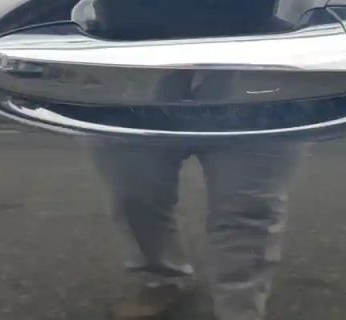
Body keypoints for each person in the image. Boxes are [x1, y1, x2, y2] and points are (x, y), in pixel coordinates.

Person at [89, 137, 302, 320]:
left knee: (250, 209)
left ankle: (241, 307)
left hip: (254, 106)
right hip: (131, 104)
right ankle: (160, 279)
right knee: (133, 197)